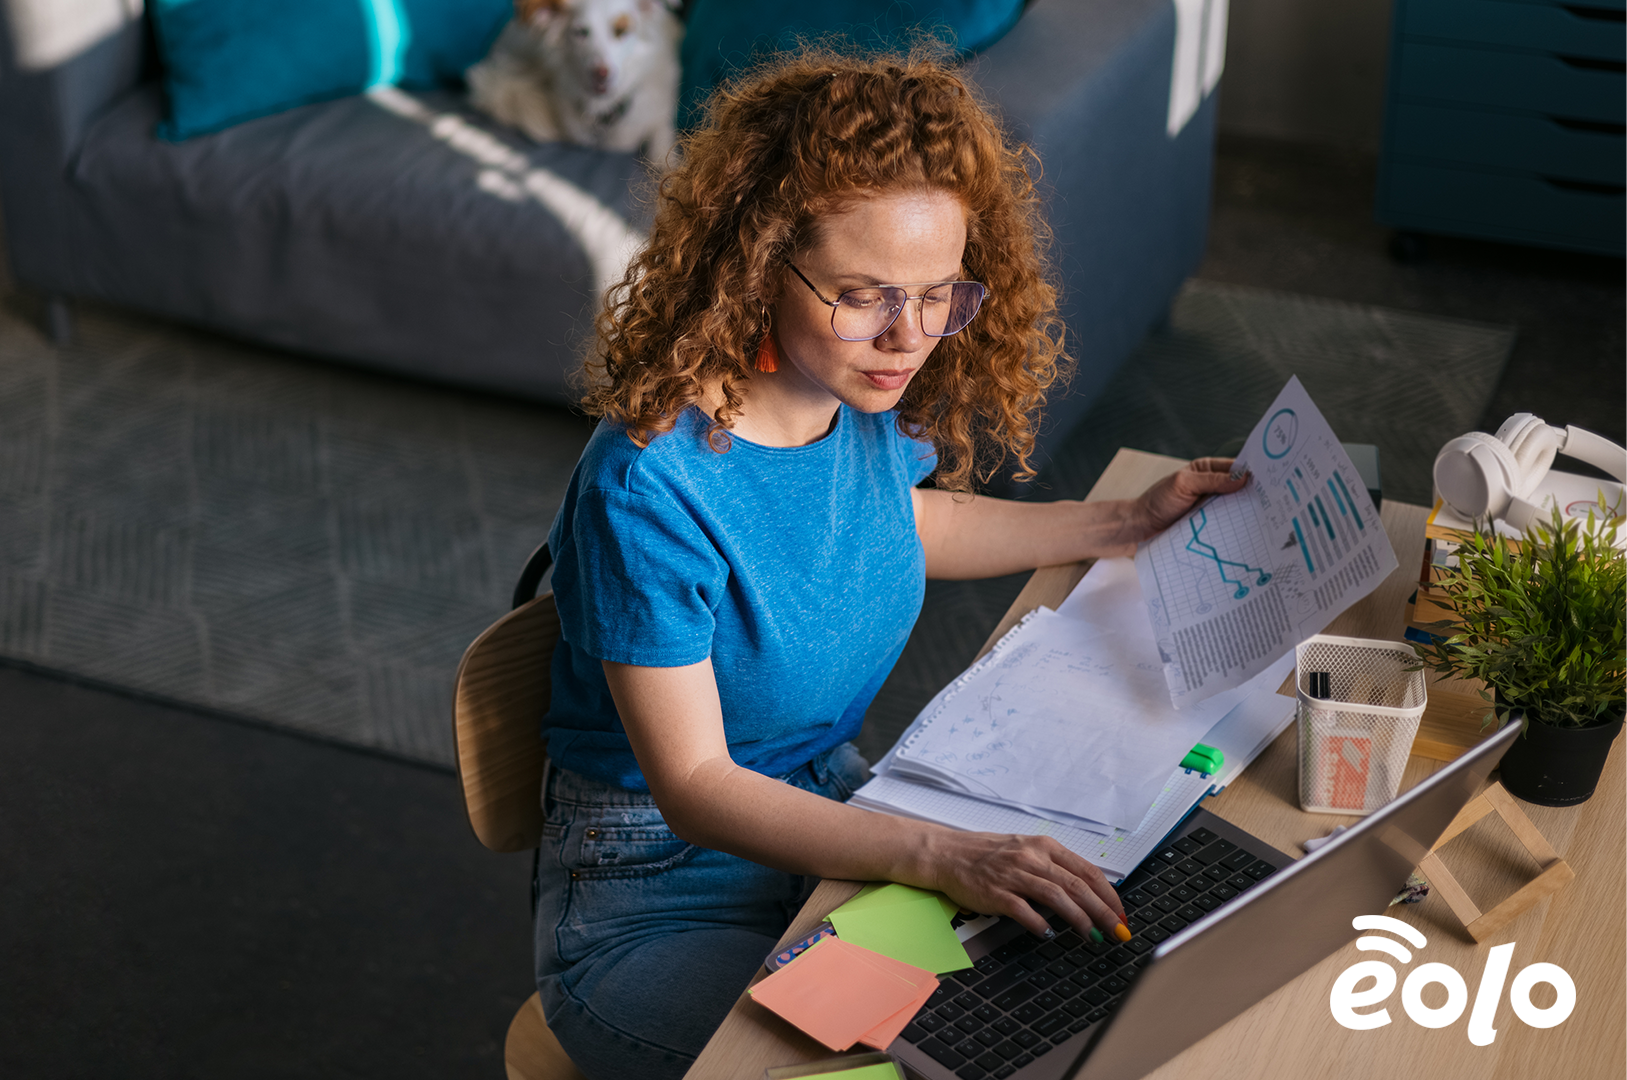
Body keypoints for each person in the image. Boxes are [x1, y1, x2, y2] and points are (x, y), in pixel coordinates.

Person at [532, 47, 1246, 1080]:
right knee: (892, 1069)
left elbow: (906, 525)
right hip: (656, 886)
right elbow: (692, 784)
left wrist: (1124, 522)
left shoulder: (851, 392)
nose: (908, 338)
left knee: (1051, 1014)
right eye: (866, 295)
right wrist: (940, 851)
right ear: (758, 263)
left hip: (834, 808)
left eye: (939, 294)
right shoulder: (648, 486)